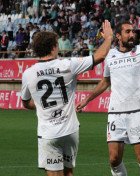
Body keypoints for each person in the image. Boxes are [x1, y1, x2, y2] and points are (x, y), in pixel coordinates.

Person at [76, 10, 140, 176]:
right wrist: (87, 100)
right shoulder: (110, 56)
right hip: (115, 113)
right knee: (114, 160)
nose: (132, 35)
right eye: (127, 32)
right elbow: (105, 82)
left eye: (133, 32)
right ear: (118, 36)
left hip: (137, 111)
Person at [21, 20, 113, 176]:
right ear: (53, 47)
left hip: (48, 133)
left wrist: (40, 105)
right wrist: (109, 38)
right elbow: (101, 55)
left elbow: (25, 102)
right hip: (70, 131)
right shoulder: (68, 65)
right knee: (69, 173)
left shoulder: (28, 73)